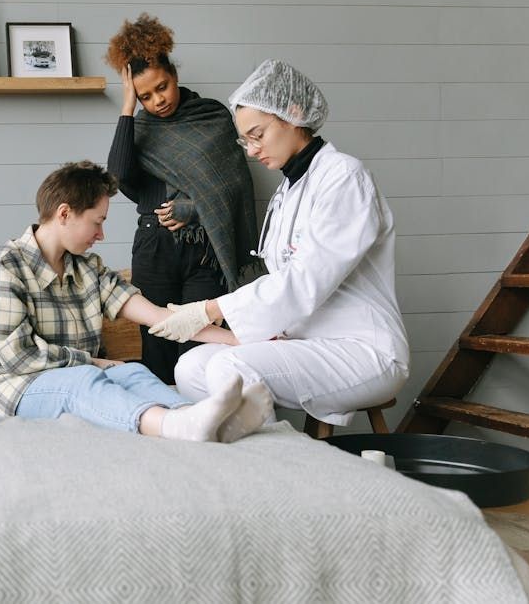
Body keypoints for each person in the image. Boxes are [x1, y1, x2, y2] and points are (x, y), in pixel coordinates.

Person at [149, 59, 411, 430]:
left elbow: (306, 281)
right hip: (305, 341)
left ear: (293, 113)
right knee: (190, 367)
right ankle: (236, 460)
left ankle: (275, 468)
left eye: (258, 135)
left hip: (363, 349)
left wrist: (209, 310)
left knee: (229, 366)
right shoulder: (287, 191)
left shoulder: (343, 177)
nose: (252, 150)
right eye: (246, 141)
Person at [0, 161, 272, 443]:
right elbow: (19, 358)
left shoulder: (87, 268)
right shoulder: (7, 265)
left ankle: (210, 421)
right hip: (8, 389)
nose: (102, 234)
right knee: (84, 378)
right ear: (65, 213)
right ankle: (172, 424)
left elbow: (161, 318)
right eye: (97, 222)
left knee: (132, 373)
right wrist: (92, 361)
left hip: (78, 374)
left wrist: (238, 339)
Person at [104, 14, 259, 384]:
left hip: (205, 250)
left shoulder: (212, 117)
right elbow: (120, 174)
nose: (158, 100)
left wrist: (192, 210)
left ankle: (198, 431)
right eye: (145, 95)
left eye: (163, 87)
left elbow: (232, 188)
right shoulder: (139, 127)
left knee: (200, 350)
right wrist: (127, 107)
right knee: (156, 344)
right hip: (154, 247)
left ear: (174, 74)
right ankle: (162, 431)